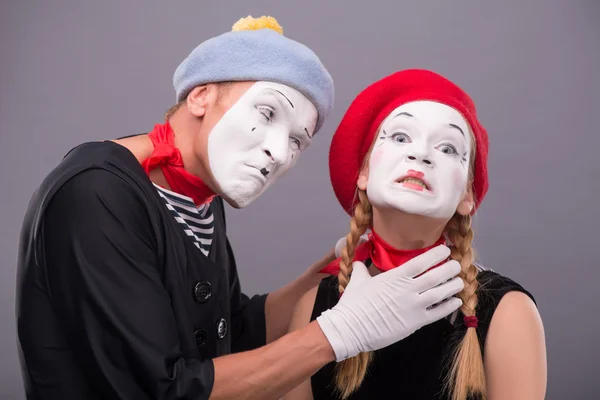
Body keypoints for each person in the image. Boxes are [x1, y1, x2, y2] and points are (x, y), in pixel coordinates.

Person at [15, 17, 466, 400]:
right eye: (268, 114)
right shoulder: (96, 197)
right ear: (201, 97)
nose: (277, 152)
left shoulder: (201, 195)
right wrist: (339, 334)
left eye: (296, 141)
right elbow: (164, 388)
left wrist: (321, 277)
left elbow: (233, 329)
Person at [284, 69, 547, 400]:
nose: (420, 154)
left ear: (467, 197)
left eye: (448, 148)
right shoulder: (312, 307)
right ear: (363, 173)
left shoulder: (507, 313)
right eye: (400, 137)